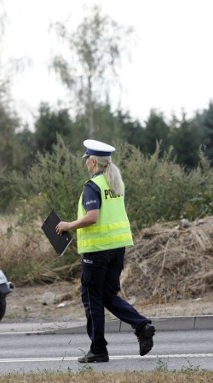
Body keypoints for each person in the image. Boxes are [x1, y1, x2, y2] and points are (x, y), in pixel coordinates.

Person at [56, 139, 155, 363]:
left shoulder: (93, 185)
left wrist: (67, 225)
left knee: (92, 298)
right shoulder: (115, 183)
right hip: (117, 249)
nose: (85, 164)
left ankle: (98, 349)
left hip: (97, 251)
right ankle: (141, 325)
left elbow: (93, 217)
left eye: (86, 161)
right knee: (108, 295)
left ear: (92, 162)